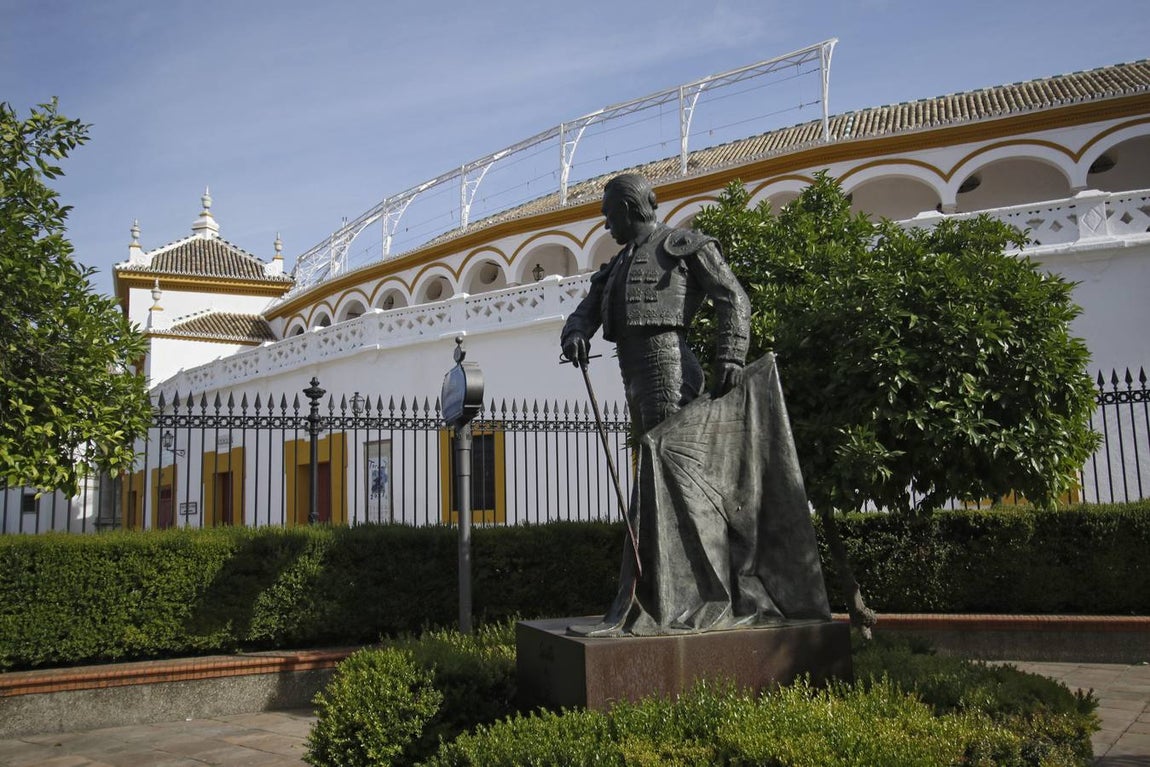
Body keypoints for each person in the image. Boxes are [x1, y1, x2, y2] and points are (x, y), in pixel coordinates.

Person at [561, 173, 830, 636]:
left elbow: (734, 298)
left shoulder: (680, 245)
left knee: (667, 477)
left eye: (608, 213)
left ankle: (684, 593)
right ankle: (665, 591)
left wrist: (730, 354)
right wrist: (574, 335)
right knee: (654, 477)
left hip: (667, 365)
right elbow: (585, 311)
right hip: (634, 374)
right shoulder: (616, 265)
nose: (605, 223)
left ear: (628, 209)